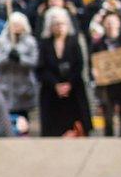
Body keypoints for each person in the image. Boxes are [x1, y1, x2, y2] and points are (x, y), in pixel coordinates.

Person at [37, 8, 92, 137]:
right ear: (50, 26)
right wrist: (56, 85)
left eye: (62, 23)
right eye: (56, 24)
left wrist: (69, 84)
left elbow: (79, 65)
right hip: (51, 91)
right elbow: (41, 68)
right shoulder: (45, 44)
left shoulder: (74, 42)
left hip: (73, 90)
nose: (60, 27)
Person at [0, 12, 39, 119]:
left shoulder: (30, 42)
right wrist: (7, 57)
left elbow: (34, 62)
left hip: (23, 88)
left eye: (18, 24)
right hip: (5, 86)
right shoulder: (0, 41)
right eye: (13, 25)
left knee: (23, 118)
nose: (16, 27)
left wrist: (20, 59)